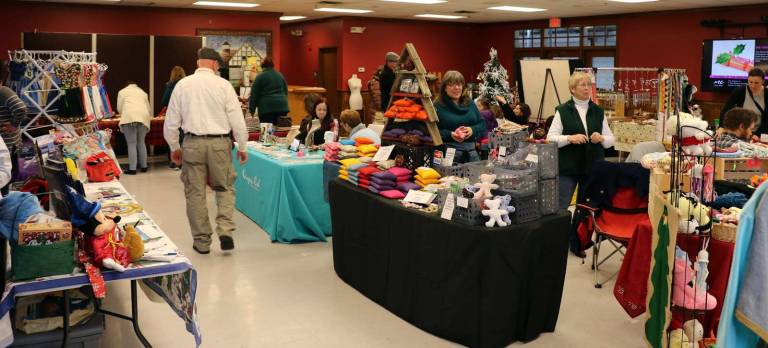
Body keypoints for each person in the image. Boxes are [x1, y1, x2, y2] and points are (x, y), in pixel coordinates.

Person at [164, 47, 249, 254]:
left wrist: (174, 147)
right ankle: (225, 230)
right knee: (225, 188)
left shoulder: (183, 85)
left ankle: (202, 242)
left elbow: (171, 121)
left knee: (195, 193)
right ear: (214, 64)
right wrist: (243, 145)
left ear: (198, 63)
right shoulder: (224, 85)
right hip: (220, 144)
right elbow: (236, 119)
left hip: (192, 143)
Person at [547, 71, 615, 257]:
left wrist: (601, 138)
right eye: (582, 85)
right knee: (561, 206)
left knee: (585, 207)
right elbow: (550, 138)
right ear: (572, 89)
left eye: (589, 84)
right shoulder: (562, 110)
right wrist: (570, 138)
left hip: (592, 167)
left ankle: (577, 243)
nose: (587, 88)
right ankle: (556, 242)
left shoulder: (598, 111)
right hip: (568, 167)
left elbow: (610, 141)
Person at [435, 70, 486, 163]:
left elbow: (482, 124)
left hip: (471, 154)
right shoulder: (438, 105)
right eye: (452, 85)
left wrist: (472, 130)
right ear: (444, 88)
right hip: (449, 154)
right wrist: (450, 134)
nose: (457, 88)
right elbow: (432, 131)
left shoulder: (470, 103)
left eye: (459, 84)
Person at [0, 60, 26, 195]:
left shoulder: (3, 91)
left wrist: (13, 124)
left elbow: (21, 108)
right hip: (6, 143)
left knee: (5, 179)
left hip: (7, 143)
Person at [117, 81, 153, 175]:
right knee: (141, 142)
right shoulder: (143, 93)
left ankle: (132, 169)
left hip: (129, 117)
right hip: (143, 117)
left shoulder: (122, 92)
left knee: (131, 143)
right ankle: (144, 166)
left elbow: (119, 108)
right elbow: (149, 109)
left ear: (127, 85)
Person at [721, 68, 767, 138]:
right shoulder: (740, 91)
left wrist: (757, 134)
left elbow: (767, 119)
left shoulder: (766, 93)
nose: (753, 86)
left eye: (756, 83)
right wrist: (722, 127)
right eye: (750, 82)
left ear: (763, 81)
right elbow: (726, 109)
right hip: (742, 132)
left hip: (761, 132)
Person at [248, 57, 289, 126]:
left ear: (262, 66)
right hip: (282, 107)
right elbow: (285, 91)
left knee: (267, 132)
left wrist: (252, 110)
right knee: (280, 130)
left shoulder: (260, 77)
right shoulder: (280, 75)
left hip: (266, 109)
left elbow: (254, 95)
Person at [161, 66, 187, 170]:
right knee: (184, 138)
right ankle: (184, 161)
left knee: (172, 136)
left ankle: (174, 161)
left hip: (173, 114)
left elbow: (164, 101)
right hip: (185, 115)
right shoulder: (187, 85)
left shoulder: (170, 86)